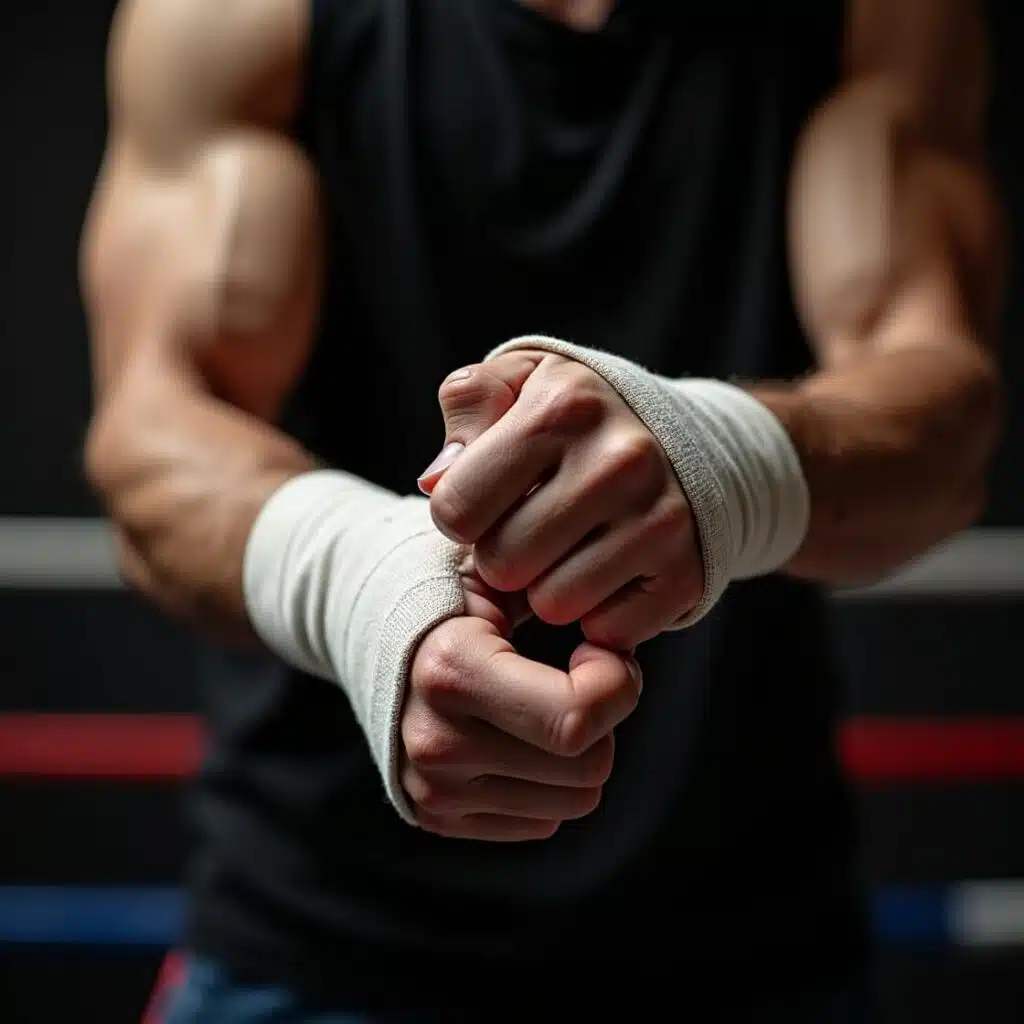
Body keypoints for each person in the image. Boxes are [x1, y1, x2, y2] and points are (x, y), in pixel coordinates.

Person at [80, 0, 1003, 1020]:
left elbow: (945, 412)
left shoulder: (874, 17)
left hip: (749, 943)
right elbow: (153, 429)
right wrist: (363, 579)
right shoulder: (242, 16)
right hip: (314, 945)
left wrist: (718, 457)